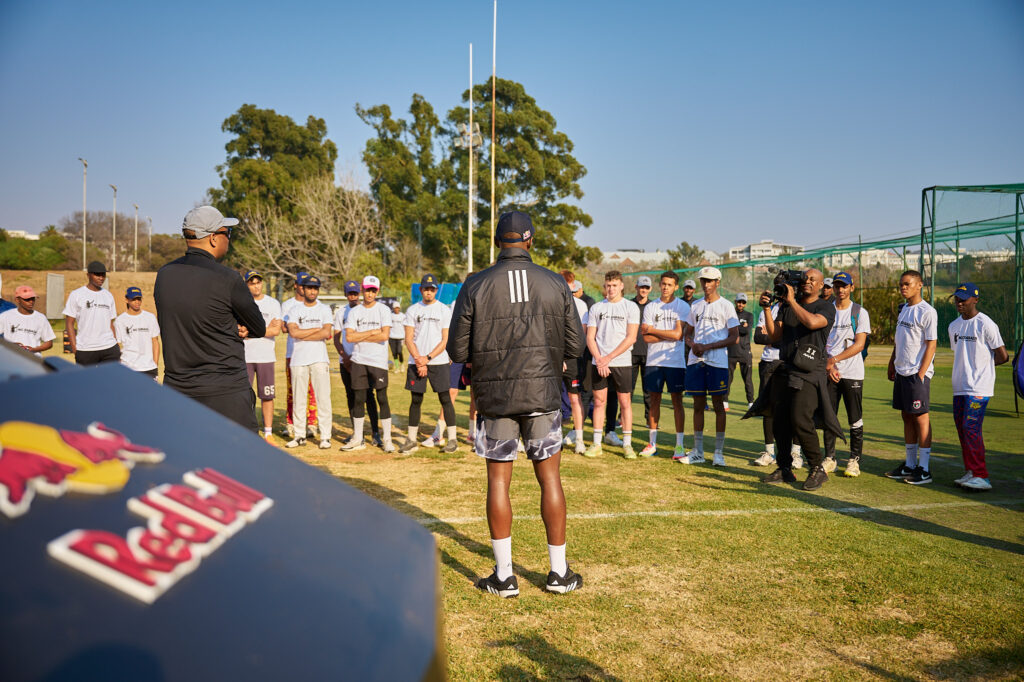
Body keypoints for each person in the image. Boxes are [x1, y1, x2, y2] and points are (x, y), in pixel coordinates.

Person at [448, 210, 584, 597]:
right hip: (542, 395)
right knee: (550, 479)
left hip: (496, 398)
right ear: (529, 240)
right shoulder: (555, 282)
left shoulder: (476, 284)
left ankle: (505, 576)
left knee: (498, 482)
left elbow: (457, 350)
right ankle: (558, 573)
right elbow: (575, 345)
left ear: (497, 242)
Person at [154, 206, 265, 429]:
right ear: (213, 238)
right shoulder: (228, 278)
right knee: (236, 452)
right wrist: (239, 325)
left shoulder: (164, 275)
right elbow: (258, 327)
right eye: (227, 233)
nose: (229, 239)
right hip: (225, 393)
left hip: (178, 390)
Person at [753, 268, 841, 491]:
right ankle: (784, 468)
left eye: (813, 280)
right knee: (779, 421)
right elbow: (775, 336)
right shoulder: (787, 307)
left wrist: (791, 301)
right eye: (805, 279)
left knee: (801, 420)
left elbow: (812, 323)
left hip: (810, 371)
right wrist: (767, 310)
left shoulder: (825, 307)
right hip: (786, 368)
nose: (807, 282)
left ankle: (817, 468)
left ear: (820, 286)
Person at [948, 282, 1008, 491]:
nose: (960, 302)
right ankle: (971, 471)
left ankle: (981, 475)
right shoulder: (953, 326)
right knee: (962, 429)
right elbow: (960, 353)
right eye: (957, 298)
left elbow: (1003, 356)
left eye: (964, 299)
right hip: (960, 386)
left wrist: (983, 368)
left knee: (970, 427)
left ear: (975, 300)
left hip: (979, 388)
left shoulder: (986, 324)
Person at [681, 267, 738, 466]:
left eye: (710, 280)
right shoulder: (695, 306)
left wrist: (708, 346)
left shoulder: (726, 306)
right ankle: (698, 451)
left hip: (717, 362)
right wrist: (693, 345)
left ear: (717, 282)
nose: (706, 284)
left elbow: (734, 337)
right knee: (698, 406)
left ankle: (718, 453)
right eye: (703, 280)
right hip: (696, 362)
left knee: (718, 406)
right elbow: (687, 334)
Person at [886, 270, 938, 485]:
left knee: (920, 417)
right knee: (907, 416)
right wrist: (892, 362)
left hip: (917, 373)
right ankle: (909, 464)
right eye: (901, 284)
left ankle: (924, 469)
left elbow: (931, 344)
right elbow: (900, 340)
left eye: (907, 284)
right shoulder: (904, 309)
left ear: (920, 285)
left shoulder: (927, 311)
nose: (903, 288)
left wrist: (921, 373)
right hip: (902, 371)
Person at [583, 270, 641, 459]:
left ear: (621, 286)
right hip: (599, 362)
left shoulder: (630, 307)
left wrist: (608, 358)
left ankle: (627, 444)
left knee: (625, 403)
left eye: (614, 285)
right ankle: (597, 443)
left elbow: (631, 338)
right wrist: (600, 359)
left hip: (621, 363)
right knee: (599, 402)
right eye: (608, 285)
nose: (611, 289)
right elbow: (590, 337)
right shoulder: (597, 308)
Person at [400, 273, 458, 454]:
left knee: (445, 399)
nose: (429, 292)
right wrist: (419, 359)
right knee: (416, 400)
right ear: (421, 290)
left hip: (438, 361)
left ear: (436, 290)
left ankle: (452, 440)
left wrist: (428, 358)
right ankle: (411, 440)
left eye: (432, 289)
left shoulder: (444, 310)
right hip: (416, 361)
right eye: (426, 289)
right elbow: (408, 338)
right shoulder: (412, 310)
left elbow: (445, 339)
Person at [823, 271, 869, 477]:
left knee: (854, 418)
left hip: (852, 373)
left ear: (851, 288)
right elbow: (820, 341)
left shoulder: (859, 312)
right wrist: (829, 365)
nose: (840, 289)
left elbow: (859, 345)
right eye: (837, 286)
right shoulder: (826, 310)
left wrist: (834, 360)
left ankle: (854, 461)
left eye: (844, 286)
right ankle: (830, 458)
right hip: (830, 372)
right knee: (829, 416)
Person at [639, 271, 689, 459]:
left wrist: (653, 329)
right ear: (659, 285)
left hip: (675, 362)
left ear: (676, 287)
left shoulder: (682, 306)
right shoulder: (651, 307)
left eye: (669, 284)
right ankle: (652, 444)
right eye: (663, 284)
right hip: (654, 361)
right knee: (654, 401)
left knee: (677, 402)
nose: (666, 287)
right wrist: (667, 334)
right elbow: (646, 338)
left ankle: (679, 446)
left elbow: (678, 334)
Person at [343, 275, 394, 452]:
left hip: (378, 361)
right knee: (359, 399)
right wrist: (372, 332)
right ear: (362, 290)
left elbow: (384, 335)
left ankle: (387, 439)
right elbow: (350, 337)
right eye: (367, 290)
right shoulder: (354, 312)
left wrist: (361, 335)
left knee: (382, 398)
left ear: (377, 292)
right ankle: (358, 438)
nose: (370, 294)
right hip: (359, 360)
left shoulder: (384, 310)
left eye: (373, 290)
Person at [284, 275, 333, 449]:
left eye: (315, 288)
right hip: (298, 359)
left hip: (319, 359)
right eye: (309, 288)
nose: (312, 291)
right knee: (299, 399)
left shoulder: (324, 309)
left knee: (323, 398)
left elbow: (326, 333)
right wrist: (315, 330)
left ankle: (325, 436)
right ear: (302, 289)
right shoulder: (294, 310)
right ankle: (299, 436)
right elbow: (293, 333)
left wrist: (303, 332)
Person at [604, 276, 653, 446]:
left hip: (647, 353)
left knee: (648, 390)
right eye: (641, 287)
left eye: (646, 287)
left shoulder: (652, 306)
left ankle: (649, 419)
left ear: (650, 289)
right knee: (625, 391)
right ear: (636, 287)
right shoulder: (629, 304)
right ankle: (620, 419)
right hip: (628, 354)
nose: (644, 290)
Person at [333, 280, 382, 446]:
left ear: (360, 293)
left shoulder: (365, 310)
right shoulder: (341, 313)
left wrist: (355, 357)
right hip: (346, 361)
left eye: (355, 293)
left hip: (362, 360)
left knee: (368, 396)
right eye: (350, 294)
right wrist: (345, 357)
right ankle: (356, 433)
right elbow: (337, 339)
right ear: (346, 294)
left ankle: (375, 433)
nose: (353, 297)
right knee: (351, 396)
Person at [243, 270, 283, 441]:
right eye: (252, 283)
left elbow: (276, 330)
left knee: (267, 395)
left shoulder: (273, 304)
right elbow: (239, 330)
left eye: (258, 282)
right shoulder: (241, 303)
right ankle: (247, 430)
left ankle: (268, 432)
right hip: (245, 357)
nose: (256, 286)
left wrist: (250, 331)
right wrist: (265, 330)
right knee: (245, 396)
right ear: (246, 285)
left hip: (266, 357)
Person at [281, 273, 318, 439]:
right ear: (296, 285)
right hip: (293, 353)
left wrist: (298, 330)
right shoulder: (288, 305)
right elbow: (284, 328)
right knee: (292, 390)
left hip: (312, 352)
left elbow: (322, 329)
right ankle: (291, 423)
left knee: (312, 390)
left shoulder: (317, 304)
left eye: (307, 285)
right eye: (301, 284)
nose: (304, 288)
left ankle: (311, 424)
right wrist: (308, 330)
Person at [63, 261, 120, 366]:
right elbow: (69, 323)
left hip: (109, 348)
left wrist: (115, 344)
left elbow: (110, 322)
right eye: (97, 274)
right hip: (85, 349)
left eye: (103, 275)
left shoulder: (108, 296)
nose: (101, 278)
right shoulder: (76, 295)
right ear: (88, 275)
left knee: (111, 377)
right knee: (87, 377)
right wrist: (75, 349)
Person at [751, 302, 782, 466]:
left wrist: (771, 338)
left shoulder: (796, 307)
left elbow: (792, 339)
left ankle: (794, 453)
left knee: (792, 409)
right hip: (767, 363)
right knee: (767, 408)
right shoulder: (769, 309)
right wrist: (778, 338)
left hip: (788, 362)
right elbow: (757, 337)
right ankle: (769, 452)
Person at [114, 286, 160, 378]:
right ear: (127, 300)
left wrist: (154, 364)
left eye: (139, 299)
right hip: (128, 368)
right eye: (133, 299)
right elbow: (117, 345)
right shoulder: (120, 320)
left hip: (149, 368)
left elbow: (155, 341)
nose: (137, 302)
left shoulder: (150, 318)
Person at [0, 285, 55, 356]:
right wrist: (10, 346)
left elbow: (49, 343)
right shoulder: (6, 316)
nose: (31, 302)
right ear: (17, 300)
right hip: (11, 359)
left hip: (33, 360)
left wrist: (33, 349)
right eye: (27, 299)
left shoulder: (41, 318)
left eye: (33, 299)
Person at [726, 292, 755, 411]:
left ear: (745, 304)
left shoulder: (749, 315)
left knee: (747, 380)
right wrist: (741, 326)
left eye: (743, 302)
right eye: (739, 302)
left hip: (745, 353)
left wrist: (735, 327)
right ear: (735, 302)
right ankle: (724, 401)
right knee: (728, 379)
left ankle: (751, 403)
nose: (741, 304)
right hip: (731, 352)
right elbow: (728, 329)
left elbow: (746, 331)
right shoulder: (729, 315)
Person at [389, 302, 406, 371]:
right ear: (393, 308)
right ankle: (397, 367)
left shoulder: (403, 316)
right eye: (395, 308)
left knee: (399, 351)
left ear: (399, 308)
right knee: (394, 353)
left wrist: (405, 337)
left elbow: (405, 327)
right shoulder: (390, 316)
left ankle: (402, 364)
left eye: (397, 308)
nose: (396, 309)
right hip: (391, 337)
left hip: (400, 337)